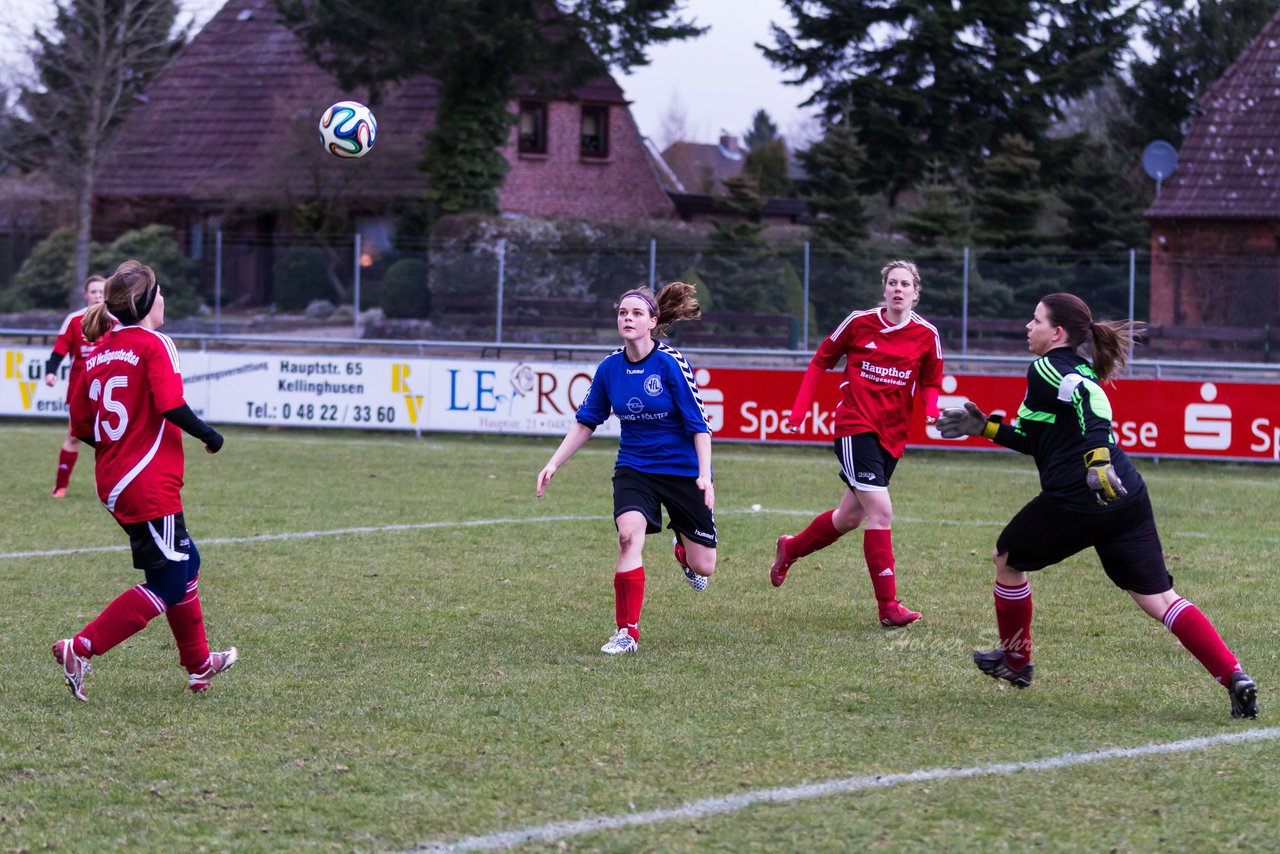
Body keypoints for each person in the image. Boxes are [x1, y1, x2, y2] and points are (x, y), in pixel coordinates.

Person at [937, 292, 1258, 719]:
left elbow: (1092, 399)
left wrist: (1096, 458)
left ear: (1058, 333)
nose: (1028, 328)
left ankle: (1016, 663)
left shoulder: (1050, 367)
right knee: (1160, 599)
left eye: (1036, 321)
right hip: (1125, 495)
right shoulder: (1071, 367)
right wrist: (989, 428)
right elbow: (1040, 442)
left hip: (1080, 496)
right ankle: (1234, 676)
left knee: (1007, 559)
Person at [53, 259, 237, 701]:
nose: (165, 298)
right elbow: (171, 404)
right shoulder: (155, 343)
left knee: (186, 565)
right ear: (148, 301)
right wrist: (211, 437)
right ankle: (80, 648)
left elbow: (80, 425)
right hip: (147, 483)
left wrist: (121, 451)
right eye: (161, 291)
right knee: (170, 581)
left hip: (116, 480)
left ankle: (198, 666)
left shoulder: (99, 349)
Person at [536, 282, 715, 655]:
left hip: (683, 470)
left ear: (653, 321)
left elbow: (699, 425)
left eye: (636, 313)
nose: (628, 318)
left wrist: (704, 475)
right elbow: (586, 421)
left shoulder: (671, 363)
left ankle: (683, 551)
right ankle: (626, 633)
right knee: (628, 537)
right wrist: (553, 462)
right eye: (622, 312)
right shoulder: (609, 368)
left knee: (706, 565)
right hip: (635, 468)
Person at [769, 260, 943, 628]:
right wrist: (799, 411)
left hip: (892, 436)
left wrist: (930, 410)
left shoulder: (927, 335)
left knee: (848, 517)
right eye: (892, 283)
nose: (898, 289)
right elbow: (820, 362)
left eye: (905, 284)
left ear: (916, 292)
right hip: (855, 426)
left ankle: (791, 548)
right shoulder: (858, 322)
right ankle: (888, 606)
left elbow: (930, 381)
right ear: (884, 289)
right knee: (881, 512)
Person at [43, 274, 107, 498]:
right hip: (80, 388)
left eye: (102, 291)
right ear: (86, 294)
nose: (98, 295)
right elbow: (59, 349)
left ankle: (114, 488)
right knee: (74, 436)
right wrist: (51, 371)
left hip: (109, 389)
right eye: (94, 292)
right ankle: (60, 486)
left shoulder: (116, 320)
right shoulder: (74, 319)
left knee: (112, 439)